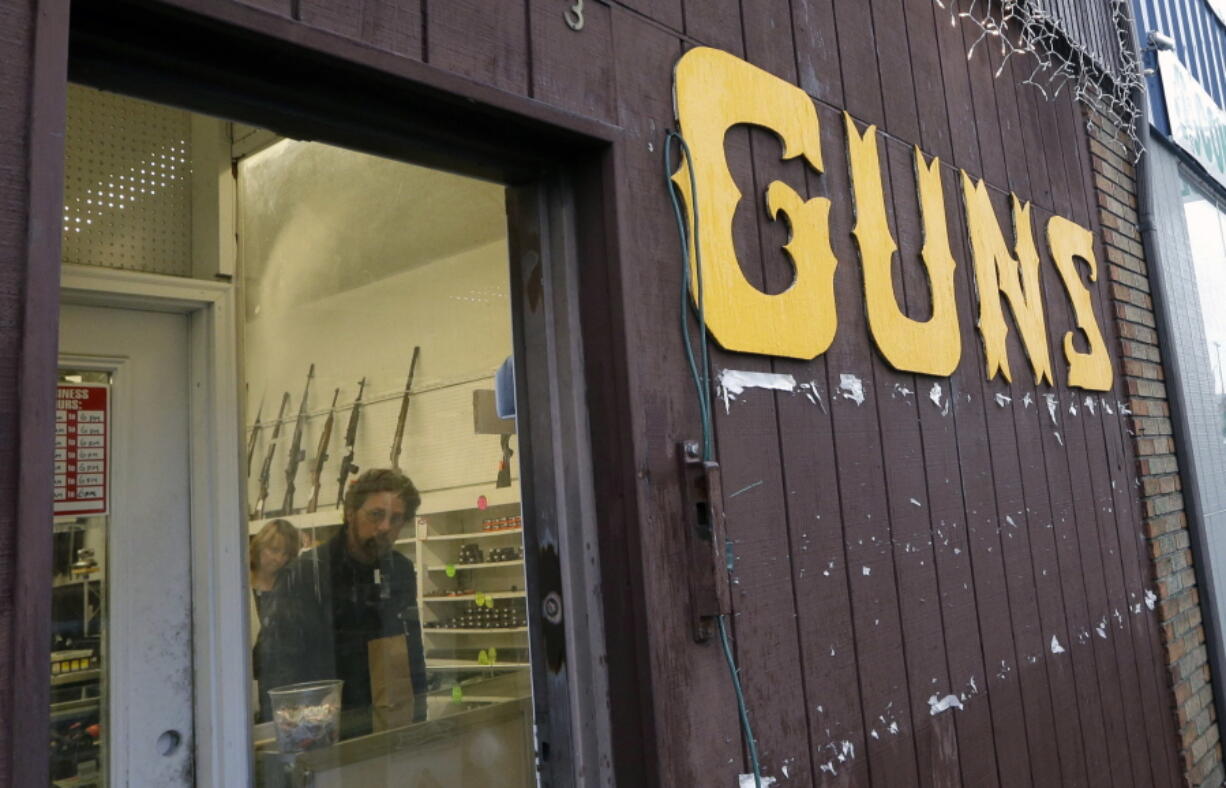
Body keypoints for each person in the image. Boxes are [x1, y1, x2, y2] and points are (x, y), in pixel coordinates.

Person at [256, 468, 427, 736]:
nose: (385, 527)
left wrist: (418, 722)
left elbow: (410, 654)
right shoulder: (309, 574)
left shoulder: (400, 571)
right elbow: (278, 666)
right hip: (321, 730)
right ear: (350, 513)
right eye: (375, 515)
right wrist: (292, 736)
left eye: (396, 519)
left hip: (386, 725)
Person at [249, 519, 300, 718]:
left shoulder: (291, 584)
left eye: (285, 553)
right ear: (260, 545)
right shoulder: (236, 581)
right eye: (273, 549)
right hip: (248, 679)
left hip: (284, 681)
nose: (278, 558)